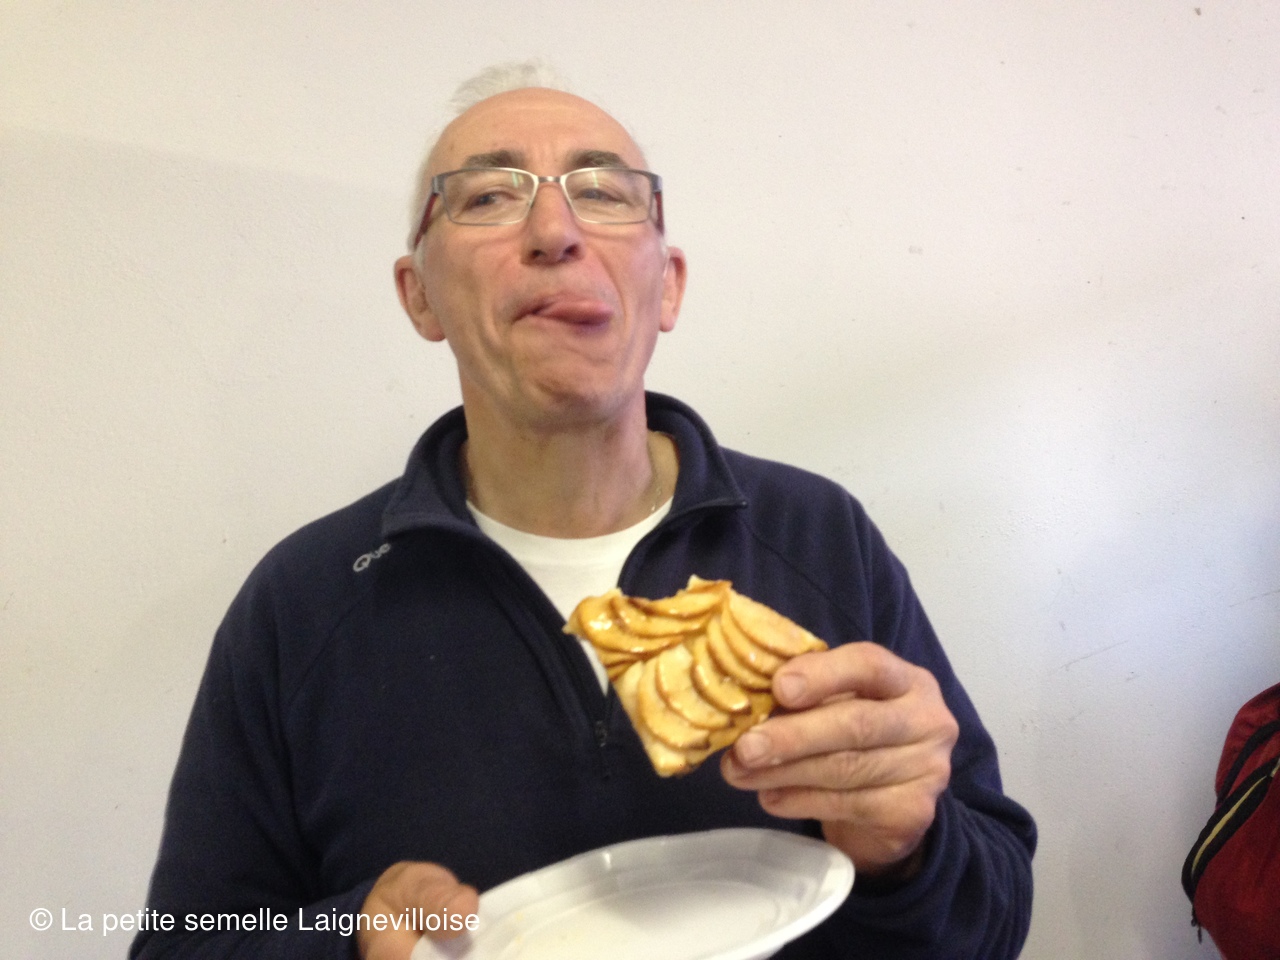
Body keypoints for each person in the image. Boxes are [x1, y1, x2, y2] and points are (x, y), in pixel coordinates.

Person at [132, 63, 1036, 960]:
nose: (554, 231)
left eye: (602, 192)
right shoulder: (303, 603)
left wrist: (904, 854)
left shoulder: (816, 535)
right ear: (420, 295)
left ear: (668, 284)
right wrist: (347, 942)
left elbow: (992, 924)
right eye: (489, 196)